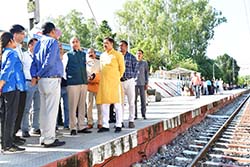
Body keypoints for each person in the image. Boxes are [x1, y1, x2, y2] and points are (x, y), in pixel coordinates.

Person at [30, 22, 65, 147]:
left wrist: (35, 75)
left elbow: (34, 62)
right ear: (52, 31)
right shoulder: (53, 42)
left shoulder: (38, 43)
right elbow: (49, 62)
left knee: (43, 110)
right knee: (51, 110)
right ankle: (50, 139)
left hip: (42, 81)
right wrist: (39, 74)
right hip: (51, 78)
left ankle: (44, 137)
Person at [0, 32, 26, 153]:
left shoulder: (4, 53)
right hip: (12, 87)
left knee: (6, 116)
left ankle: (5, 143)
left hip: (7, 88)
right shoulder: (12, 53)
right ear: (10, 41)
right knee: (10, 116)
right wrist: (1, 83)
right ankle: (8, 144)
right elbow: (7, 69)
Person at [63, 37, 91, 135]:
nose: (75, 43)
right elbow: (63, 69)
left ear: (79, 43)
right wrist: (68, 78)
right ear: (70, 44)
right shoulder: (68, 55)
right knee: (72, 106)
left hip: (83, 82)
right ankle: (73, 127)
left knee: (82, 105)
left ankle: (81, 126)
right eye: (73, 42)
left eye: (77, 42)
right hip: (72, 83)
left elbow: (87, 67)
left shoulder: (84, 55)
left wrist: (88, 76)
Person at [97, 37, 125, 133]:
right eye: (104, 43)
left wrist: (117, 77)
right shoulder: (102, 56)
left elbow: (122, 68)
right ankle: (105, 125)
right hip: (104, 83)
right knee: (105, 105)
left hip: (114, 83)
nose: (105, 45)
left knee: (117, 105)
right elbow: (101, 69)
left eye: (107, 43)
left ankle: (118, 124)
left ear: (112, 44)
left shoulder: (118, 55)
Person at [9, 24, 27, 145]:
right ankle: (8, 137)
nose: (23, 36)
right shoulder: (9, 49)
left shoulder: (20, 48)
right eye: (22, 34)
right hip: (13, 85)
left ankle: (14, 134)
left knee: (20, 110)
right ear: (15, 34)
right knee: (12, 112)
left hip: (22, 84)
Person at [21, 38, 40, 137]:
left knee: (37, 107)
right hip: (28, 82)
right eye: (35, 45)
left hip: (38, 83)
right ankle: (24, 129)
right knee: (26, 107)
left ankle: (35, 127)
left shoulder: (39, 56)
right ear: (30, 45)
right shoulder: (24, 56)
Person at [119, 40, 138, 128]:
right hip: (120, 82)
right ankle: (120, 121)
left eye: (122, 46)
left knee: (131, 102)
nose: (120, 47)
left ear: (126, 47)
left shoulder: (131, 57)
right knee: (120, 103)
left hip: (129, 81)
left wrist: (132, 77)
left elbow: (136, 68)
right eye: (119, 46)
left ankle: (131, 120)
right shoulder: (117, 57)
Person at [86, 48, 102, 129]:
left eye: (92, 52)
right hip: (88, 86)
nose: (90, 54)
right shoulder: (85, 63)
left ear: (95, 54)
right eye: (89, 52)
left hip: (97, 86)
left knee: (99, 105)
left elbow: (101, 73)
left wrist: (94, 77)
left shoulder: (99, 63)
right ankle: (90, 122)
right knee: (89, 105)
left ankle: (100, 122)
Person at [134, 49, 149, 120]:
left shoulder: (144, 63)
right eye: (137, 54)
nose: (138, 55)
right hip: (134, 83)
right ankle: (135, 115)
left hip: (142, 83)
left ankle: (143, 114)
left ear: (142, 55)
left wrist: (147, 83)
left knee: (143, 100)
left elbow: (146, 73)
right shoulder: (133, 62)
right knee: (134, 100)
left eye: (140, 53)